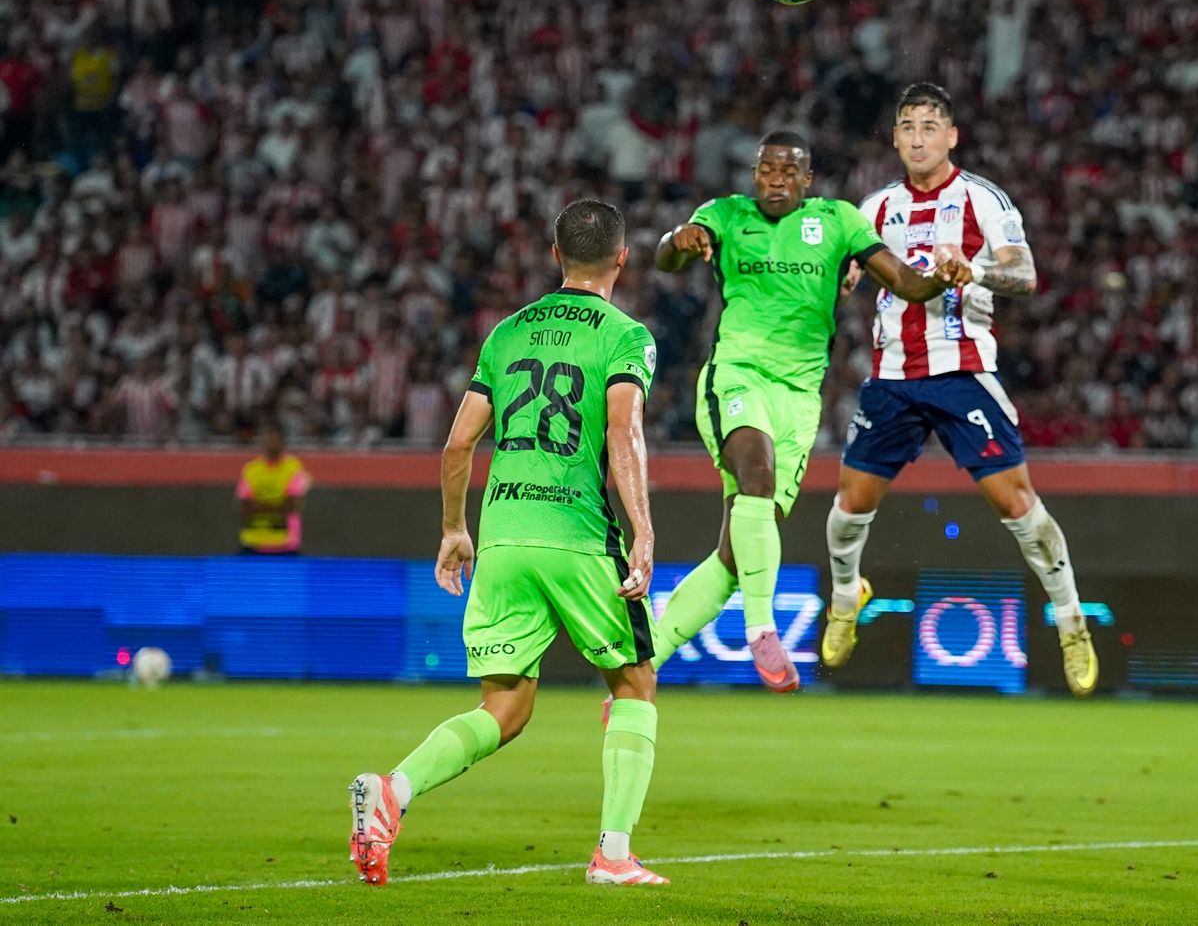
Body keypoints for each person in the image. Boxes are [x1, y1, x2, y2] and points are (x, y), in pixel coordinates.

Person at [348, 199, 668, 887]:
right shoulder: (625, 334)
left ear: (555, 255)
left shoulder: (507, 333)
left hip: (503, 537)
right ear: (622, 257)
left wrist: (454, 529)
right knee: (635, 683)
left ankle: (393, 792)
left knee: (506, 707)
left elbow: (460, 440)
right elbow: (622, 433)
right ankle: (614, 853)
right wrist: (642, 531)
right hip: (578, 537)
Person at [648, 130, 968, 691]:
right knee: (757, 473)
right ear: (755, 175)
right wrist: (683, 236)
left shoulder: (839, 222)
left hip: (799, 397)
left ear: (806, 178)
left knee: (734, 555)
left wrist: (939, 278)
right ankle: (761, 630)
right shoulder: (725, 215)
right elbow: (668, 257)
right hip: (737, 375)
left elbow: (905, 282)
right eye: (766, 170)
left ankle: (641, 662)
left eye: (787, 171)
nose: (775, 180)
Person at [821, 82, 1100, 697]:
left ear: (952, 136)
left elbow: (1024, 273)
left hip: (962, 372)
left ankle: (1073, 623)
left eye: (930, 126)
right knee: (847, 509)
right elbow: (844, 275)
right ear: (895, 138)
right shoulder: (873, 208)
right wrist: (836, 284)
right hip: (892, 379)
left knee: (1017, 506)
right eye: (908, 127)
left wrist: (974, 270)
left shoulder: (981, 197)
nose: (919, 138)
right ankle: (847, 599)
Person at [236, 424, 311, 554]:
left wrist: (258, 506)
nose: (272, 445)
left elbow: (291, 505)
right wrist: (277, 505)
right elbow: (244, 507)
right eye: (268, 440)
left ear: (283, 443)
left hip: (286, 545)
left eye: (275, 441)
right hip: (252, 543)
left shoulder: (294, 468)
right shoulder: (251, 469)